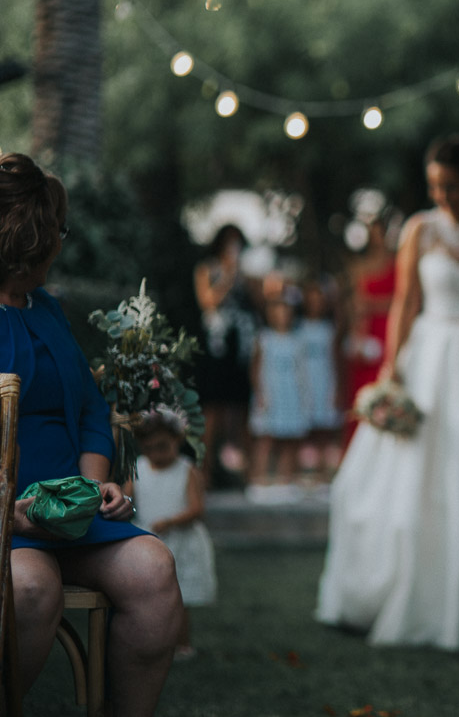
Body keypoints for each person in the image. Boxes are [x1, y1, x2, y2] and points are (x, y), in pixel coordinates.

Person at [316, 135, 459, 649]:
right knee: (412, 478)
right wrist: (392, 366)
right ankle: (403, 593)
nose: (442, 196)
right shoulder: (420, 228)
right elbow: (406, 300)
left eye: (453, 187)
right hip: (430, 356)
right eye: (435, 186)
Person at [1, 152, 182, 715]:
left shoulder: (47, 309)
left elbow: (88, 410)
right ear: (34, 239)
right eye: (58, 228)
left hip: (70, 519)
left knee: (154, 571)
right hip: (7, 525)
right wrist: (14, 515)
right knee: (30, 590)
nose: (62, 239)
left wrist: (94, 487)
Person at [127, 407, 217, 661]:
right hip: (150, 540)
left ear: (177, 439)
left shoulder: (186, 470)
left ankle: (182, 644)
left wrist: (171, 521)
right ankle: (151, 642)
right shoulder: (139, 468)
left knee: (180, 597)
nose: (156, 453)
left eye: (162, 446)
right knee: (146, 596)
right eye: (149, 448)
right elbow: (128, 498)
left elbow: (198, 509)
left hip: (181, 541)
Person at [193, 222, 257, 483]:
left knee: (243, 408)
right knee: (213, 409)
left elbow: (259, 303)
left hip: (240, 347)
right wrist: (228, 275)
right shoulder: (206, 269)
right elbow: (207, 302)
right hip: (216, 347)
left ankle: (247, 473)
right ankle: (205, 473)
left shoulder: (247, 275)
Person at [247, 293, 308, 501]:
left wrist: (304, 396)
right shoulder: (264, 338)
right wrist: (260, 392)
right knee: (266, 437)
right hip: (271, 394)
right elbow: (255, 368)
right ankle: (259, 480)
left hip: (291, 394)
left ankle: (286, 481)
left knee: (290, 438)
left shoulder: (297, 340)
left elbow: (302, 370)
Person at [343, 216, 397, 444]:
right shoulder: (359, 266)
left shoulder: (398, 263)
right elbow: (356, 304)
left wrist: (373, 304)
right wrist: (357, 334)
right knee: (363, 384)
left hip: (389, 327)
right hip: (369, 332)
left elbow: (403, 299)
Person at [298, 276, 344, 485]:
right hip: (301, 385)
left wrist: (336, 388)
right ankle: (301, 474)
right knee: (301, 430)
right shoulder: (297, 328)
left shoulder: (329, 329)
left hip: (324, 383)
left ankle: (325, 474)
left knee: (325, 430)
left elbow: (335, 360)